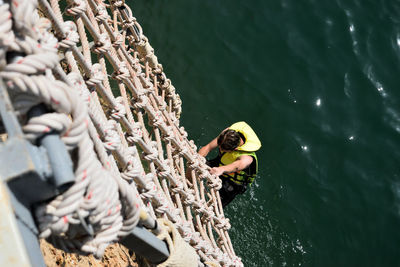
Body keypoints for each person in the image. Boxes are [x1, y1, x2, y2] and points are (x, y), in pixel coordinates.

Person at [198, 121, 261, 207]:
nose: (220, 149)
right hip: (219, 164)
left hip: (232, 182)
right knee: (195, 165)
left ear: (235, 149)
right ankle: (187, 184)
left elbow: (239, 165)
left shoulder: (247, 157)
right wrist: (197, 158)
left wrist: (221, 169)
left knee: (214, 207)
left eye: (224, 150)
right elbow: (208, 147)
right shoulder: (226, 136)